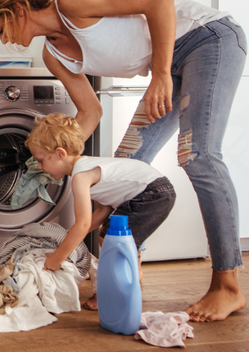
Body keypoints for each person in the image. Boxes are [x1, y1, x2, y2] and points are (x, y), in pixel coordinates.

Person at [0, 0, 247, 322]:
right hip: (172, 64)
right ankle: (127, 269)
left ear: (17, 10)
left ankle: (227, 284)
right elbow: (90, 113)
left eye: (0, 29)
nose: (3, 40)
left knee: (198, 156)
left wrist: (161, 74)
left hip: (208, 39)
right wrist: (53, 155)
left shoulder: (73, 0)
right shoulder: (53, 55)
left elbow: (160, 1)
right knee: (123, 167)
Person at [27, 112, 176, 310]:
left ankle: (111, 293)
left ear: (60, 154)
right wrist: (68, 238)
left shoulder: (81, 177)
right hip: (154, 190)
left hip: (151, 193)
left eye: (41, 160)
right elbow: (103, 211)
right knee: (109, 234)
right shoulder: (86, 168)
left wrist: (57, 257)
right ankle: (129, 276)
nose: (39, 166)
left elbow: (83, 224)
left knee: (110, 238)